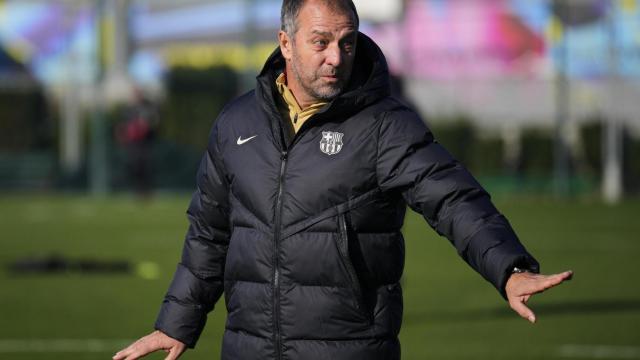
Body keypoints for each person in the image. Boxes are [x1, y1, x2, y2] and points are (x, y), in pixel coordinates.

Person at [113, 1, 573, 359]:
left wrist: (509, 268)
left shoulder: (385, 126)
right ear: (286, 43)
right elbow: (209, 236)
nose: (336, 57)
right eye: (321, 42)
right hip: (248, 349)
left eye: (347, 42)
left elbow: (452, 198)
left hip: (352, 349)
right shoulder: (235, 124)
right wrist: (177, 322)